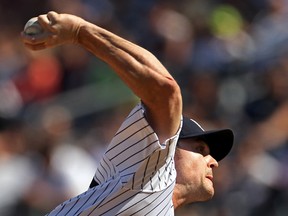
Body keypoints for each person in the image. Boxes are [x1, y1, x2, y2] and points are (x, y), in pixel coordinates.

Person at [21, 11, 234, 215]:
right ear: (167, 153)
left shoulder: (142, 192)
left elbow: (165, 84)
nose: (213, 161)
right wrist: (80, 32)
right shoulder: (153, 179)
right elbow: (166, 90)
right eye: (200, 149)